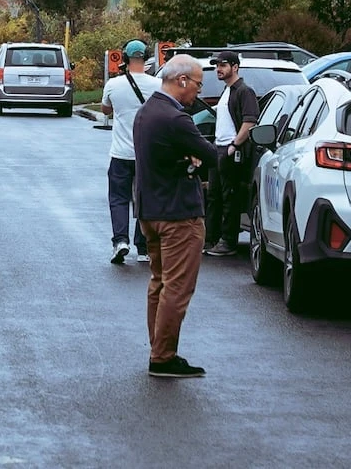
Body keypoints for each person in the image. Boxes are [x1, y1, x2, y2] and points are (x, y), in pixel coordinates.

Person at [133, 54, 223, 378]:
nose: (199, 91)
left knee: (159, 282)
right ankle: (163, 356)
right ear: (182, 80)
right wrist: (195, 158)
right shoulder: (176, 118)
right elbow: (211, 155)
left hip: (150, 211)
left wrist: (189, 157)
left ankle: (159, 347)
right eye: (198, 83)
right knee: (177, 287)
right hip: (177, 215)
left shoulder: (145, 112)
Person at [101, 40, 157, 264]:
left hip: (121, 152)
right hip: (148, 155)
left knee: (119, 198)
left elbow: (106, 109)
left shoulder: (114, 85)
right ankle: (143, 247)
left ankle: (120, 241)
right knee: (145, 200)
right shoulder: (158, 84)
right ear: (145, 58)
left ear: (124, 58)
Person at [204, 50, 259, 257]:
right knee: (214, 196)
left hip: (230, 150)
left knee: (229, 197)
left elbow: (250, 121)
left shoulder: (244, 91)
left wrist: (234, 145)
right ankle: (212, 240)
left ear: (235, 67)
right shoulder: (227, 91)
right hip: (218, 148)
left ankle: (228, 242)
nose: (219, 69)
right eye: (217, 65)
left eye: (223, 65)